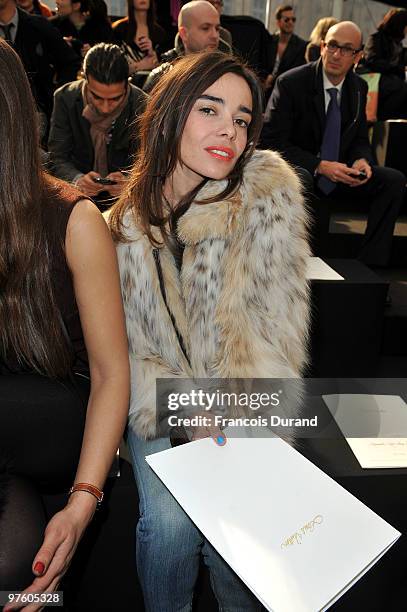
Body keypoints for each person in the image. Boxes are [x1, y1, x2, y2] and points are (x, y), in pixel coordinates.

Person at [109, 50, 310, 611]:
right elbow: (130, 352)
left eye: (243, 119)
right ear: (172, 112)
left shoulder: (266, 192)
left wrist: (229, 416)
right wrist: (186, 409)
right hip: (158, 399)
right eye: (210, 109)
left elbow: (275, 333)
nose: (230, 130)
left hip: (245, 394)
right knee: (171, 528)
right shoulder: (122, 227)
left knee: (235, 537)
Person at [0, 39, 129, 609]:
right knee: (17, 568)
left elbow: (110, 373)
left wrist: (82, 503)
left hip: (58, 415)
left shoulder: (74, 220)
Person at [262, 21, 405, 267]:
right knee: (305, 178)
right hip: (304, 173)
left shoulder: (359, 87)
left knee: (393, 180)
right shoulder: (291, 83)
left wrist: (363, 160)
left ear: (358, 56)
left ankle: (369, 268)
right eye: (333, 46)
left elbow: (360, 138)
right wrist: (320, 165)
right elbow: (271, 143)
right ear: (322, 46)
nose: (337, 54)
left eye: (346, 49)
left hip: (340, 173)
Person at [48, 43, 147, 205]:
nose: (105, 107)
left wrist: (131, 181)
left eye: (115, 99)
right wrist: (77, 179)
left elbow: (151, 162)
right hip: (76, 198)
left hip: (128, 202)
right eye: (97, 97)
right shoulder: (65, 98)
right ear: (84, 79)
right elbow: (57, 157)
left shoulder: (143, 104)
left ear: (127, 83)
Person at [143, 0, 230, 94]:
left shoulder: (231, 72)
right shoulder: (161, 78)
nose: (215, 35)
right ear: (184, 34)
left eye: (217, 29)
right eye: (205, 28)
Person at [362, 8, 407, 120]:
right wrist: (398, 69)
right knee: (400, 88)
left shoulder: (398, 44)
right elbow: (372, 60)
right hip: (374, 78)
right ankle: (385, 119)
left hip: (390, 80)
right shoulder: (376, 39)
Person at [112, 0, 168, 73]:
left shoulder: (159, 32)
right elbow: (113, 68)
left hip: (153, 82)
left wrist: (153, 55)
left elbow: (166, 66)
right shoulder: (119, 29)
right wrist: (140, 65)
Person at [264, 4, 307, 93]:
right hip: (265, 89)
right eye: (286, 20)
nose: (290, 22)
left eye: (293, 19)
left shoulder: (301, 46)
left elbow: (295, 72)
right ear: (278, 22)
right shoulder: (268, 41)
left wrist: (272, 79)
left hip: (286, 90)